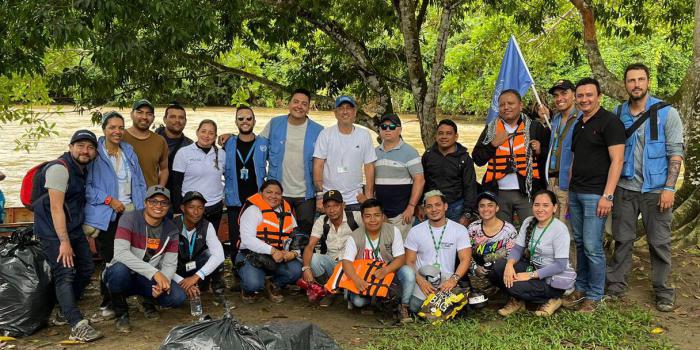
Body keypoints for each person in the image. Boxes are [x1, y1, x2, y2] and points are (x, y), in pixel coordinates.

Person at [606, 63, 685, 312]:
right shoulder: (618, 114)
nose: (636, 85)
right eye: (631, 80)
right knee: (623, 239)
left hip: (656, 189)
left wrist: (669, 188)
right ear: (625, 84)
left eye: (641, 79)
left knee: (659, 241)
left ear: (648, 82)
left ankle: (663, 290)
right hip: (625, 188)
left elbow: (675, 153)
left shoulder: (667, 113)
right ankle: (616, 285)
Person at [33, 130, 102, 342]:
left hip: (73, 228)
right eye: (80, 145)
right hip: (52, 230)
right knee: (65, 272)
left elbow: (74, 205)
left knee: (87, 268)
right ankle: (75, 324)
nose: (85, 150)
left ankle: (63, 311)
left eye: (90, 147)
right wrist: (64, 242)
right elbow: (56, 208)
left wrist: (85, 234)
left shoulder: (82, 170)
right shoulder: (59, 169)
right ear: (70, 147)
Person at [565, 77, 626, 313]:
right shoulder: (579, 123)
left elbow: (617, 161)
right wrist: (571, 191)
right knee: (579, 243)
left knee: (592, 246)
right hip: (576, 193)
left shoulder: (610, 122)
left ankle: (594, 294)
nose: (584, 99)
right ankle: (580, 288)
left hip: (596, 195)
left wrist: (607, 196)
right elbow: (575, 160)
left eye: (589, 95)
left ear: (599, 96)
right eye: (580, 96)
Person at [84, 111, 148, 318]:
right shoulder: (95, 154)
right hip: (107, 214)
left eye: (120, 127)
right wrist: (109, 200)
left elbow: (139, 182)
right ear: (104, 129)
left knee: (136, 256)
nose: (117, 131)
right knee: (111, 260)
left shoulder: (128, 151)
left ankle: (134, 297)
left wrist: (142, 210)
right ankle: (110, 302)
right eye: (112, 127)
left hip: (131, 212)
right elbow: (88, 188)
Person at [105, 186, 186, 333]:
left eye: (163, 203)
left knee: (178, 297)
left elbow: (169, 264)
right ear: (145, 202)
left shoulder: (171, 230)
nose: (158, 206)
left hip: (144, 278)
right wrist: (155, 273)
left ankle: (147, 299)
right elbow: (120, 253)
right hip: (126, 273)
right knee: (118, 270)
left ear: (168, 207)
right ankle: (121, 312)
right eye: (153, 201)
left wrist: (163, 282)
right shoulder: (129, 218)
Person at [488, 190, 575, 317]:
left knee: (514, 286)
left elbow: (560, 265)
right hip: (533, 268)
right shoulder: (529, 221)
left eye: (545, 205)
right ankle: (517, 300)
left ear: (554, 207)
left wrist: (530, 275)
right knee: (498, 268)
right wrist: (509, 265)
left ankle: (554, 299)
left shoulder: (559, 229)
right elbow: (518, 248)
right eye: (537, 205)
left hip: (552, 278)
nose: (540, 209)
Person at [472, 90, 550, 223]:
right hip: (498, 193)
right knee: (500, 234)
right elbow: (478, 159)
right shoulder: (491, 129)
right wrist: (493, 144)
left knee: (531, 230)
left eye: (510, 103)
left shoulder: (535, 127)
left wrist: (539, 150)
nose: (506, 107)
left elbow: (549, 157)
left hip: (527, 192)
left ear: (520, 105)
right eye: (502, 104)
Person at [255, 88, 325, 234]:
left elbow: (324, 164)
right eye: (296, 102)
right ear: (289, 104)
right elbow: (258, 150)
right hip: (277, 193)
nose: (299, 106)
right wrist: (232, 137)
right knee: (275, 234)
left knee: (304, 236)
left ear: (308, 108)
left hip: (306, 194)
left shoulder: (319, 130)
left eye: (304, 104)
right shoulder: (275, 124)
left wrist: (320, 195)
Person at [340, 199, 414, 322]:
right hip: (366, 278)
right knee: (358, 302)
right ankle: (375, 301)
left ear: (382, 216)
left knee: (408, 273)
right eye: (368, 216)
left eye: (377, 215)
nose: (373, 220)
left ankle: (403, 307)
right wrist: (356, 279)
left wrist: (386, 270)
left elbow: (401, 258)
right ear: (362, 218)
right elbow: (346, 262)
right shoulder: (355, 236)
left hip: (389, 274)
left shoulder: (393, 231)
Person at [236, 180, 302, 304]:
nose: (273, 196)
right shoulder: (252, 211)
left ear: (282, 195)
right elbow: (247, 240)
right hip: (251, 256)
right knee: (253, 285)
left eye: (277, 193)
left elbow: (295, 237)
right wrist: (272, 250)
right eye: (269, 192)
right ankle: (247, 287)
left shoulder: (287, 213)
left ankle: (272, 285)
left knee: (296, 271)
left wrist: (293, 253)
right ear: (261, 193)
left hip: (277, 258)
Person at [405, 190, 471, 313]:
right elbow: (409, 261)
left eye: (437, 205)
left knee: (456, 306)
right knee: (415, 306)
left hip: (446, 279)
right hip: (422, 277)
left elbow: (465, 259)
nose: (433, 209)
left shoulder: (459, 230)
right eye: (429, 206)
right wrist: (420, 281)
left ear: (445, 206)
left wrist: (453, 280)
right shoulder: (415, 231)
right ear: (424, 210)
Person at [313, 95, 376, 212]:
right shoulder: (325, 134)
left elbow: (369, 166)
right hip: (330, 198)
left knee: (357, 230)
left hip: (356, 198)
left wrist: (369, 196)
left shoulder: (364, 135)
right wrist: (319, 197)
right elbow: (318, 165)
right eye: (341, 108)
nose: (345, 112)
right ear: (335, 113)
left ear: (355, 112)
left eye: (349, 108)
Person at [301, 190, 362, 306]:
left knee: (354, 301)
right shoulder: (321, 221)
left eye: (336, 205)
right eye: (328, 206)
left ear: (343, 205)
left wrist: (366, 202)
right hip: (332, 264)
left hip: (352, 266)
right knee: (314, 259)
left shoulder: (355, 217)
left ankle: (344, 289)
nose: (332, 210)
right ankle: (329, 291)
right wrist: (306, 268)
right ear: (323, 208)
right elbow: (310, 246)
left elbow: (377, 223)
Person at [223, 106, 269, 262]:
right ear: (235, 122)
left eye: (249, 118)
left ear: (254, 121)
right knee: (236, 238)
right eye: (241, 118)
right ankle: (237, 268)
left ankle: (256, 266)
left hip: (256, 201)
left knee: (257, 236)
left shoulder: (264, 143)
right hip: (234, 200)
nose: (245, 122)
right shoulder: (228, 142)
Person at [374, 113, 425, 237]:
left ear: (400, 129)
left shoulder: (410, 152)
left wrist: (411, 206)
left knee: (400, 251)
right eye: (384, 126)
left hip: (401, 215)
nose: (387, 129)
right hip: (380, 214)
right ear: (379, 130)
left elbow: (420, 180)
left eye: (392, 126)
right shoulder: (374, 152)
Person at [172, 119, 226, 234]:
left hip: (215, 206)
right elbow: (176, 184)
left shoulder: (222, 154)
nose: (206, 136)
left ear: (215, 136)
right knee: (189, 242)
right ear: (197, 132)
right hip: (191, 207)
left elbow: (228, 178)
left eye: (211, 133)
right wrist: (177, 209)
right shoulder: (184, 153)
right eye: (203, 131)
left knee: (210, 240)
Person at [537, 80, 580, 222]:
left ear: (574, 94)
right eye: (556, 95)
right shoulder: (555, 118)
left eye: (564, 93)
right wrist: (545, 119)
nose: (559, 98)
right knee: (550, 226)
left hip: (568, 183)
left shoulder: (582, 118)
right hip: (552, 181)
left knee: (565, 227)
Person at [421, 119, 478, 225]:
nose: (444, 137)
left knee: (453, 239)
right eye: (441, 133)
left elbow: (470, 186)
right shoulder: (428, 155)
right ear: (436, 136)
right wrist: (419, 205)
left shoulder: (464, 158)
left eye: (448, 133)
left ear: (456, 136)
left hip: (455, 206)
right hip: (432, 206)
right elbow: (422, 182)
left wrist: (467, 213)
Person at [172, 191, 226, 298]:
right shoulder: (171, 226)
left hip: (196, 269)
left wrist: (196, 276)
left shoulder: (206, 225)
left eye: (200, 208)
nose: (196, 212)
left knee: (210, 254)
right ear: (183, 208)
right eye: (191, 207)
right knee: (179, 298)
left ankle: (216, 286)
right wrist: (183, 282)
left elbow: (219, 256)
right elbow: (163, 263)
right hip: (176, 271)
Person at [467, 191, 517, 293]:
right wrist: (475, 268)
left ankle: (501, 288)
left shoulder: (509, 230)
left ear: (497, 208)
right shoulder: (473, 228)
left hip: (499, 269)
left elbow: (512, 256)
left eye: (490, 205)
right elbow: (465, 253)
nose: (486, 209)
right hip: (478, 268)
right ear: (478, 209)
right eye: (482, 206)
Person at [122, 99, 169, 188]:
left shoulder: (160, 141)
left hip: (150, 197)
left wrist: (159, 190)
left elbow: (164, 169)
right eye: (140, 112)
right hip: (124, 197)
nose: (144, 117)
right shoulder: (120, 137)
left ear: (153, 118)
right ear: (132, 115)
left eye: (149, 114)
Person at [155, 103, 193, 196]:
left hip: (179, 196)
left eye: (181, 117)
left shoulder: (190, 145)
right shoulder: (152, 140)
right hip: (154, 193)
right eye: (172, 117)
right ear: (164, 119)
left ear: (185, 121)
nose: (177, 120)